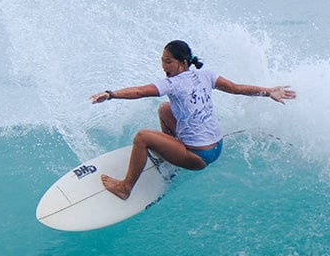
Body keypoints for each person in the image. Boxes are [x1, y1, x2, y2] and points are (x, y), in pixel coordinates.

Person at [89, 40, 296, 200]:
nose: (164, 66)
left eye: (168, 61)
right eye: (162, 60)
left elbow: (139, 92)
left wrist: (111, 94)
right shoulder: (206, 75)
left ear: (183, 63)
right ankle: (172, 154)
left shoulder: (173, 84)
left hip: (198, 157)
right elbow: (236, 88)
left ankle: (125, 188)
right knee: (165, 108)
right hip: (217, 146)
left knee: (143, 137)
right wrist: (267, 92)